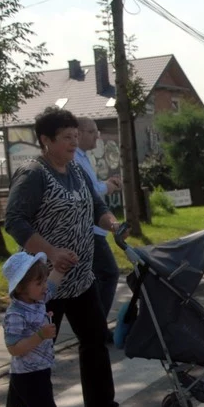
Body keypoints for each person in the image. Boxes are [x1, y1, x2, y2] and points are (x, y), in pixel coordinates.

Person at [3, 107, 134, 407]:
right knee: (33, 353)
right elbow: (14, 221)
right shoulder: (33, 173)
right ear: (45, 140)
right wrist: (49, 251)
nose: (74, 143)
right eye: (66, 138)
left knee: (94, 339)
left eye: (76, 136)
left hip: (80, 278)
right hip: (42, 285)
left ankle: (101, 405)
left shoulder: (76, 169)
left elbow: (98, 207)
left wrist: (114, 225)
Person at [0, 251, 82, 407]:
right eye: (39, 282)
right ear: (21, 288)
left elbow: (53, 286)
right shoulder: (15, 314)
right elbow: (13, 348)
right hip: (26, 374)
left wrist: (60, 270)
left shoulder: (37, 299)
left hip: (40, 369)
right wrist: (40, 336)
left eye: (43, 280)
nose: (45, 286)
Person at [74, 117, 122, 341]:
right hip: (89, 229)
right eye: (92, 132)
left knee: (95, 277)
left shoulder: (84, 157)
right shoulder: (75, 157)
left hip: (95, 227)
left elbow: (92, 189)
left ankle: (94, 325)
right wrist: (107, 186)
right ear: (79, 133)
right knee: (109, 273)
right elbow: (90, 191)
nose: (97, 136)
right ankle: (96, 327)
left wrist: (105, 183)